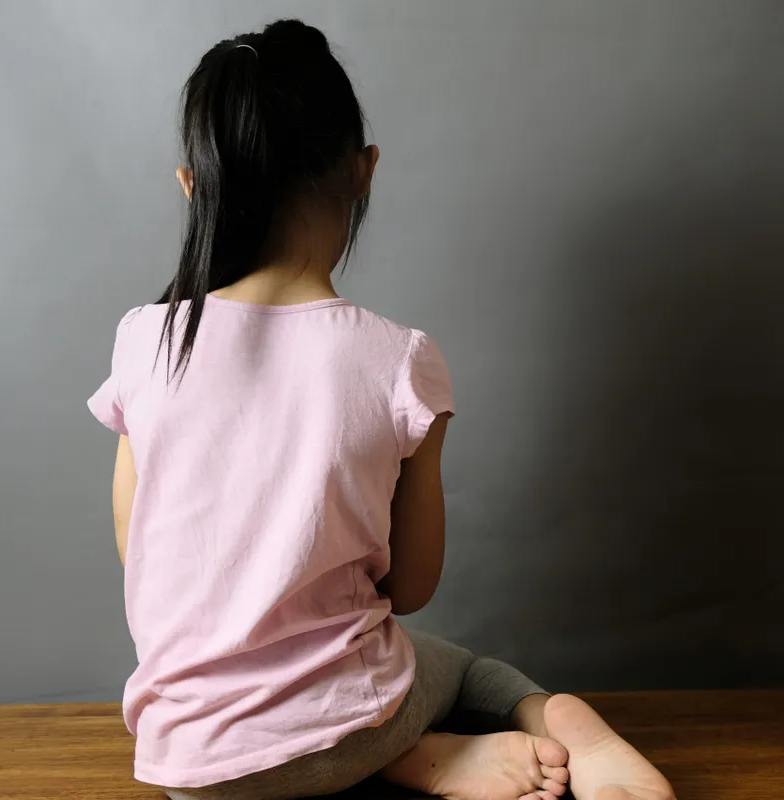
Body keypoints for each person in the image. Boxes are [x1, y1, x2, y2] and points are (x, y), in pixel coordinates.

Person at [88, 19, 674, 800]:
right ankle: (523, 728)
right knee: (463, 670)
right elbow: (410, 585)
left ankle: (413, 756)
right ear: (363, 170)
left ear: (193, 186)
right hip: (346, 733)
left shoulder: (144, 342)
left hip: (189, 765)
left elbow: (138, 548)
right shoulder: (399, 360)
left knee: (322, 698)